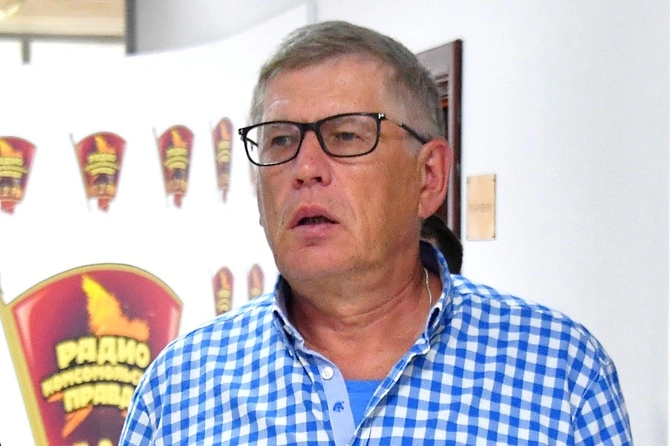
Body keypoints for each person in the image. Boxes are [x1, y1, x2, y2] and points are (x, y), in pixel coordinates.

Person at [119, 21, 633, 445]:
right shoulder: (181, 389)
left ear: (428, 177)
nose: (305, 169)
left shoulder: (558, 374)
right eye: (280, 141)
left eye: (346, 135)